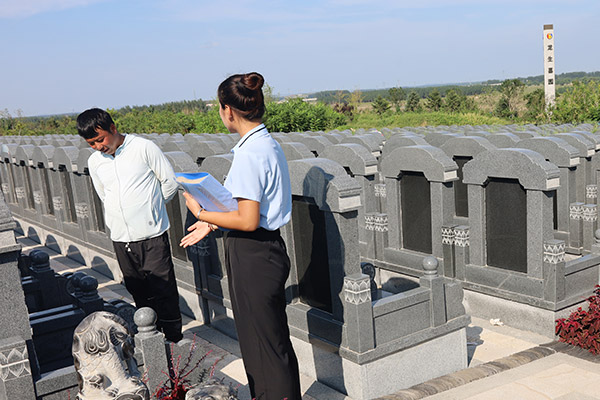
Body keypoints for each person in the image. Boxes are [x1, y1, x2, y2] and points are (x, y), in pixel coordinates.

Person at [179, 72, 302, 400]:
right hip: (263, 249)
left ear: (227, 110)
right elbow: (240, 207)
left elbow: (247, 220)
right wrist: (213, 223)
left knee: (265, 348)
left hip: (254, 253)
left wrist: (201, 212)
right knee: (269, 343)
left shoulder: (250, 153)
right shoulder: (264, 143)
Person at [76, 108, 183, 343]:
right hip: (121, 238)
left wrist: (150, 208)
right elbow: (104, 195)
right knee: (139, 292)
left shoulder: (143, 148)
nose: (97, 146)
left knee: (163, 291)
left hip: (152, 235)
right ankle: (151, 342)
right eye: (91, 143)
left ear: (113, 129)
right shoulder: (95, 162)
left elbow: (169, 182)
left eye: (100, 139)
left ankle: (174, 341)